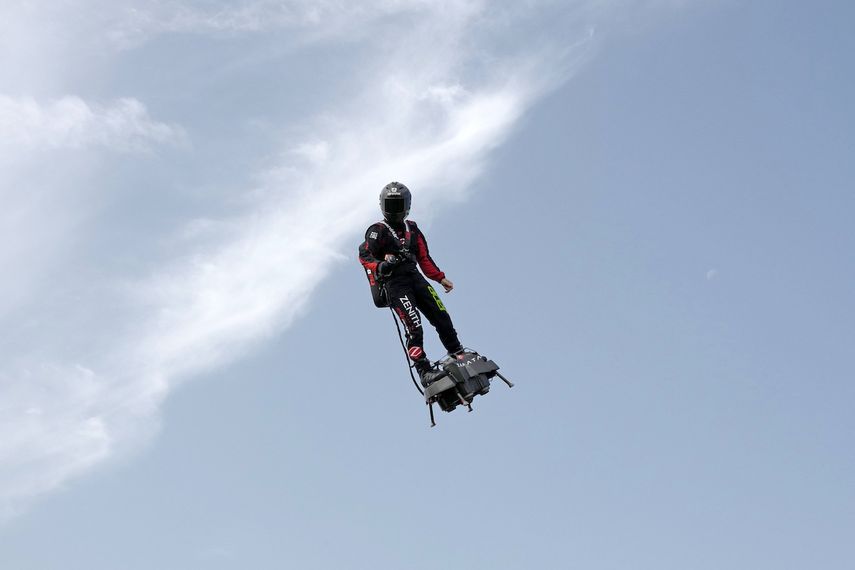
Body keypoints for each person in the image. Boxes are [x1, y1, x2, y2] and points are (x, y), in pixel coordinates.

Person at [359, 181, 464, 385]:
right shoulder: (377, 230)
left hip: (415, 277)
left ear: (407, 206)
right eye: (390, 205)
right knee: (414, 325)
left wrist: (440, 277)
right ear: (382, 206)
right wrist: (381, 266)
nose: (394, 210)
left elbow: (424, 256)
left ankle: (458, 353)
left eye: (398, 205)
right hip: (395, 284)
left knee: (441, 315)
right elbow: (365, 255)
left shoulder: (413, 228)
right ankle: (424, 372)